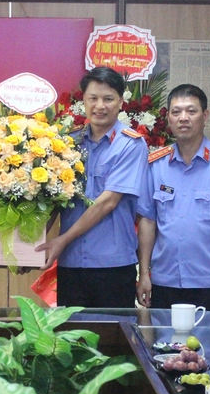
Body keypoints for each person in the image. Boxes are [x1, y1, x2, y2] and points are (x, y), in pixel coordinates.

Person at [34, 67, 148, 308]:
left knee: (113, 341)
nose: (100, 106)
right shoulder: (68, 144)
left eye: (108, 99)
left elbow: (108, 202)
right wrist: (30, 246)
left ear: (120, 103)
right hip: (71, 264)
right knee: (71, 340)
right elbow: (55, 200)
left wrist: (62, 240)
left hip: (113, 266)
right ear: (83, 101)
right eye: (93, 98)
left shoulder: (131, 145)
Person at [137, 84, 210, 312]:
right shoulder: (155, 164)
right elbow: (147, 220)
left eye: (191, 111)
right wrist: (144, 274)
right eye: (176, 112)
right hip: (165, 280)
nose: (183, 118)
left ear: (205, 116)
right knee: (164, 346)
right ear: (168, 118)